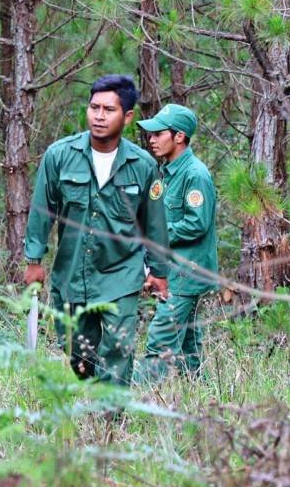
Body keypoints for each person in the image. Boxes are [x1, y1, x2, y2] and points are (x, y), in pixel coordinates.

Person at [23, 74, 170, 386]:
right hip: (72, 273)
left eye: (109, 110)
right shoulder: (59, 156)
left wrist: (158, 271)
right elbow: (41, 212)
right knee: (79, 354)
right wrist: (34, 261)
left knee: (118, 346)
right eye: (94, 108)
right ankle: (93, 390)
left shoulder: (143, 165)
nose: (99, 116)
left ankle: (109, 418)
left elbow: (155, 224)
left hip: (121, 275)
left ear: (127, 117)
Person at [134, 104, 218, 382]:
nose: (152, 139)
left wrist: (156, 231)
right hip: (174, 272)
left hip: (186, 274)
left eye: (159, 133)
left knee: (159, 344)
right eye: (151, 134)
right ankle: (203, 400)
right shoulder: (167, 171)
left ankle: (133, 406)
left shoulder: (195, 174)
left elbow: (197, 223)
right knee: (188, 348)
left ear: (179, 136)